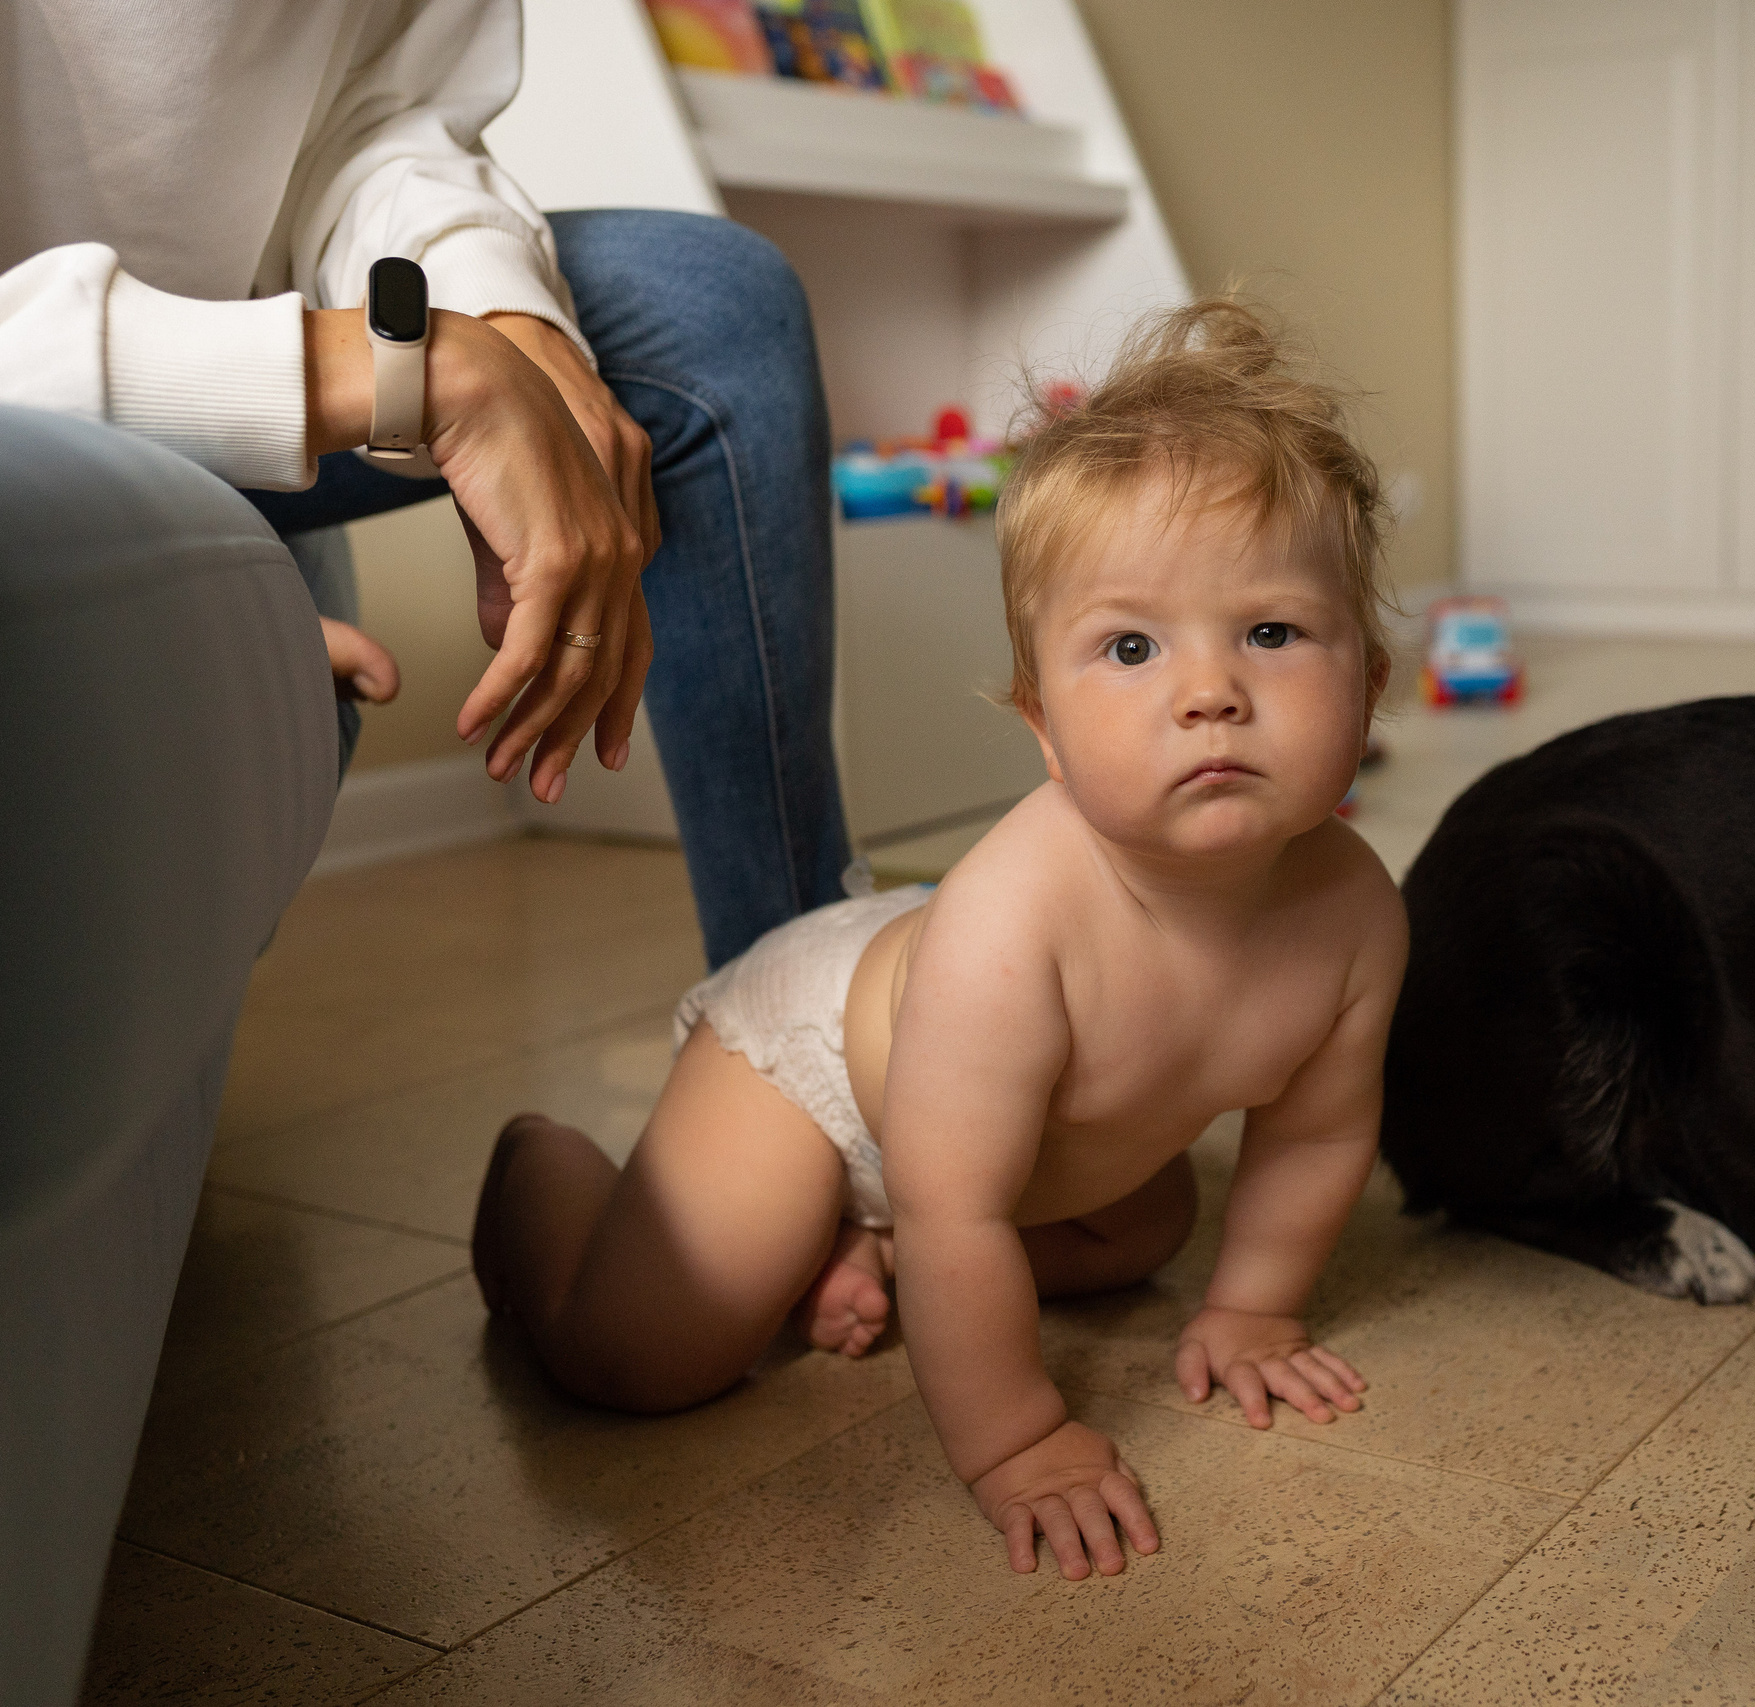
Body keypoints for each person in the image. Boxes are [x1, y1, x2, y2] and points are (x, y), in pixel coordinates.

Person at [469, 300, 1408, 1580]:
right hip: (820, 1072)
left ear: (1370, 685)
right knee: (645, 1355)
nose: (1210, 692)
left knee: (1143, 1230)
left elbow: (1316, 1134)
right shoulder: (1016, 923)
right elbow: (957, 1208)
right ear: (1042, 726)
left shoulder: (1355, 914)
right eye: (1131, 647)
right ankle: (539, 1171)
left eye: (1273, 632)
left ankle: (862, 1245)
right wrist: (1018, 1439)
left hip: (995, 1138)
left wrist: (1252, 1308)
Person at [0, 0, 852, 967]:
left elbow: (380, 114)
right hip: (43, 413)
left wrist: (506, 319)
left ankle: (786, 1004)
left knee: (719, 310)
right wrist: (403, 372)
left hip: (242, 387)